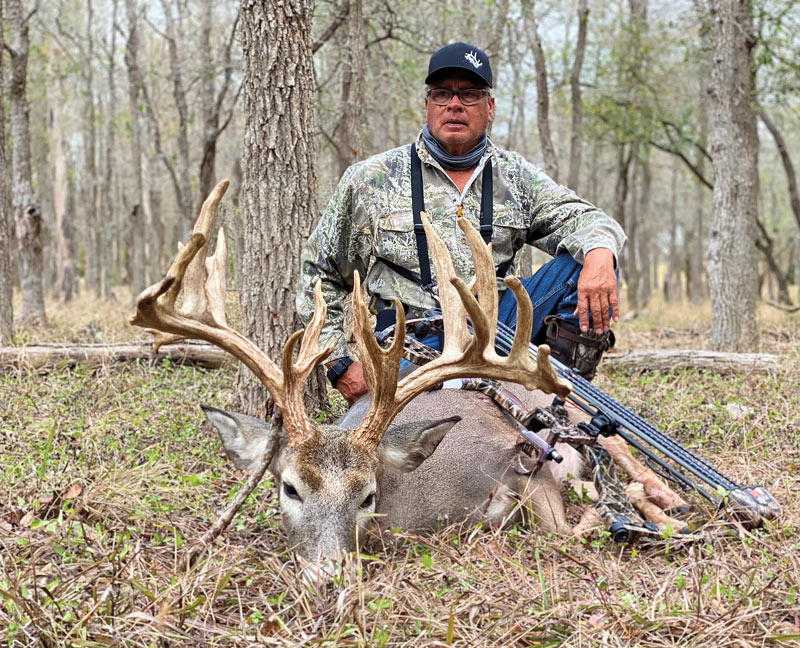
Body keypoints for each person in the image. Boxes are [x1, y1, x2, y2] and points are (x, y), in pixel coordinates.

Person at [297, 42, 626, 405]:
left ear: (490, 108)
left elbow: (589, 219)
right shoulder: (370, 180)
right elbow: (319, 273)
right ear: (427, 106)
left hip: (497, 330)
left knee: (588, 263)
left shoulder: (515, 177)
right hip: (412, 343)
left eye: (469, 94)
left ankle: (559, 402)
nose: (454, 104)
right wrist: (340, 364)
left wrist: (599, 253)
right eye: (442, 94)